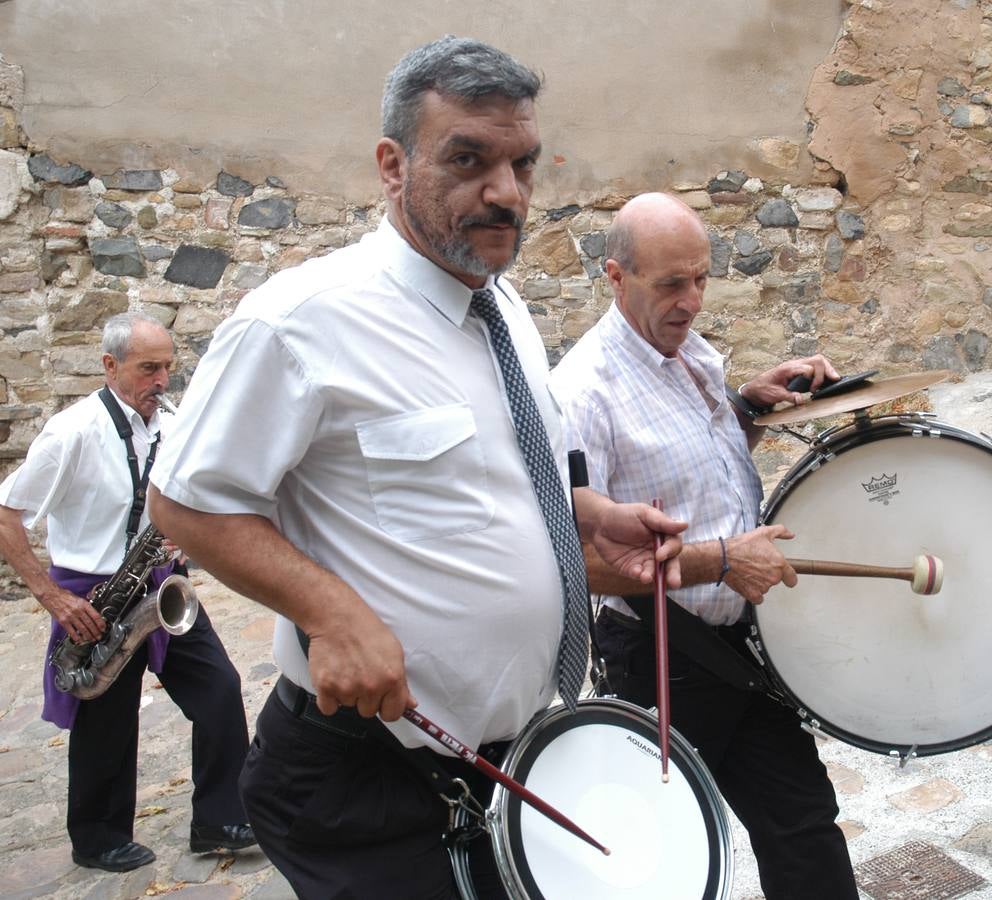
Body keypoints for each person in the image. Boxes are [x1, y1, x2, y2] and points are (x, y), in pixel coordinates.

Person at [147, 37, 683, 899]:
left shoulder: (500, 302)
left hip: (513, 758)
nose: (506, 192)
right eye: (468, 159)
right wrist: (328, 612)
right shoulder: (298, 322)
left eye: (522, 164)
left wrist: (581, 511)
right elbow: (183, 501)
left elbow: (489, 469)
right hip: (371, 776)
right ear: (392, 166)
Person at [550, 191, 857, 899]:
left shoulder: (689, 353)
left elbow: (692, 470)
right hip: (663, 661)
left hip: (744, 648)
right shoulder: (581, 394)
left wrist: (746, 408)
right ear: (615, 277)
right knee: (655, 860)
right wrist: (720, 561)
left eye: (699, 279)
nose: (690, 301)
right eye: (670, 284)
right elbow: (576, 561)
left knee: (803, 825)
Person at [0, 312, 255, 873]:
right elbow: (5, 514)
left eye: (167, 367)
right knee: (107, 724)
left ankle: (218, 818)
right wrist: (54, 599)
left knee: (219, 688)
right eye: (148, 369)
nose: (162, 381)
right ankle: (96, 838)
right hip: (94, 598)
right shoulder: (71, 431)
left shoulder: (168, 420)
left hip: (158, 587)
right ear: (110, 366)